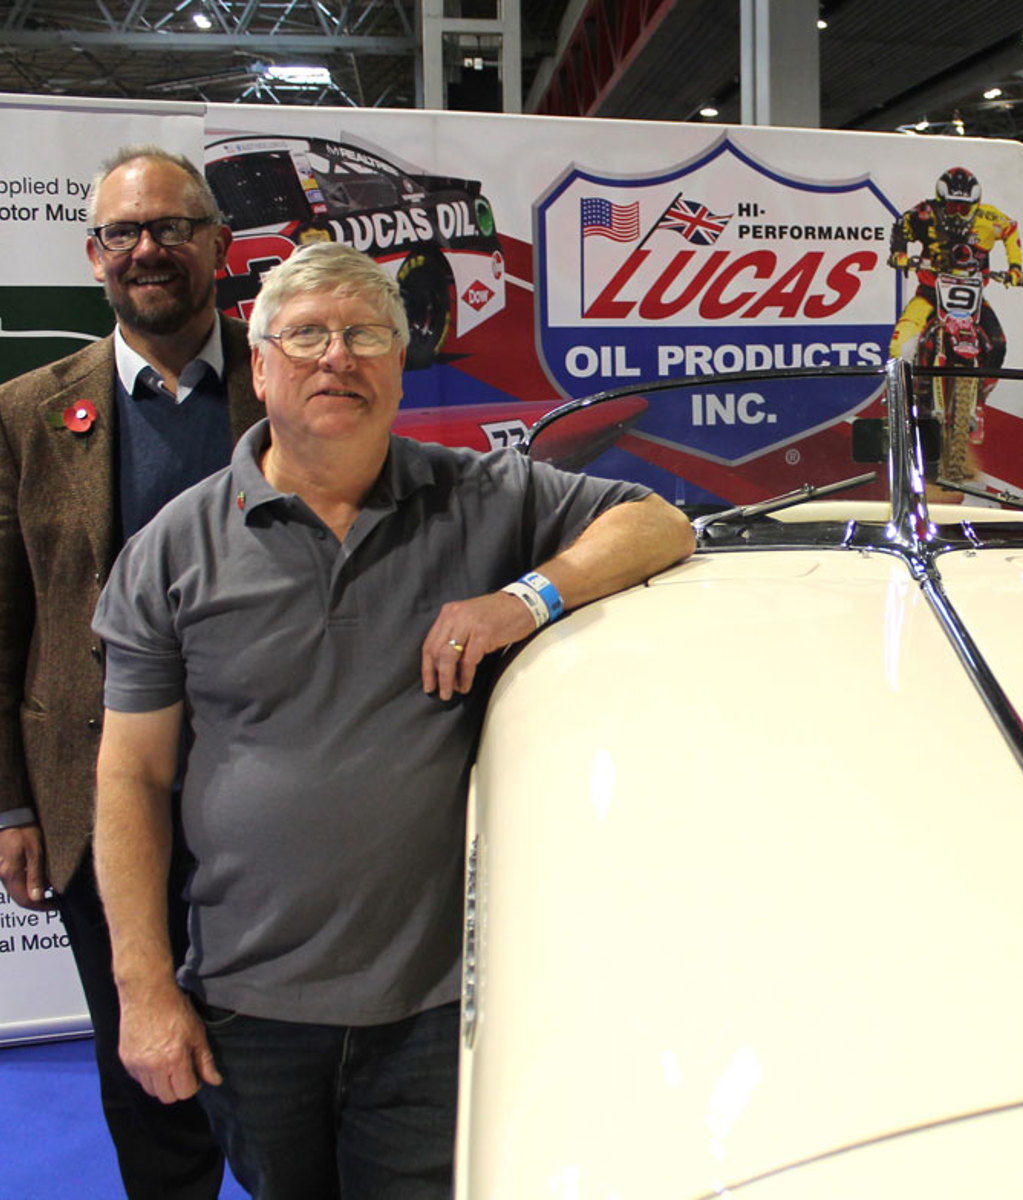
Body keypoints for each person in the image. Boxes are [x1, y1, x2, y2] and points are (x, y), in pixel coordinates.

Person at [90, 242, 695, 1197]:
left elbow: (660, 520)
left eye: (368, 334)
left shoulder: (484, 495)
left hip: (434, 1004)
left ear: (400, 364)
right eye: (308, 336)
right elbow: (131, 777)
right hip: (252, 1002)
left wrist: (526, 599)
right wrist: (143, 987)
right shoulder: (173, 549)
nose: (339, 356)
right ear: (259, 364)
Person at [0, 145, 257, 1199]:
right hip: (94, 794)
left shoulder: (293, 377)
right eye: (124, 233)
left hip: (266, 790)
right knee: (143, 1058)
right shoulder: (25, 413)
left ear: (219, 247)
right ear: (95, 255)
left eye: (172, 227)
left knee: (282, 1066)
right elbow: (4, 613)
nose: (147, 250)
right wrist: (11, 803)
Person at [886, 166, 1023, 376]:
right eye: (952, 207)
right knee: (900, 347)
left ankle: (980, 396)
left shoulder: (988, 218)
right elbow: (902, 225)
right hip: (930, 294)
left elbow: (1011, 229)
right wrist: (899, 254)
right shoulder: (925, 213)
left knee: (997, 344)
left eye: (964, 208)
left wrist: (1015, 267)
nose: (959, 213)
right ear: (941, 202)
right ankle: (901, 400)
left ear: (975, 205)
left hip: (972, 299)